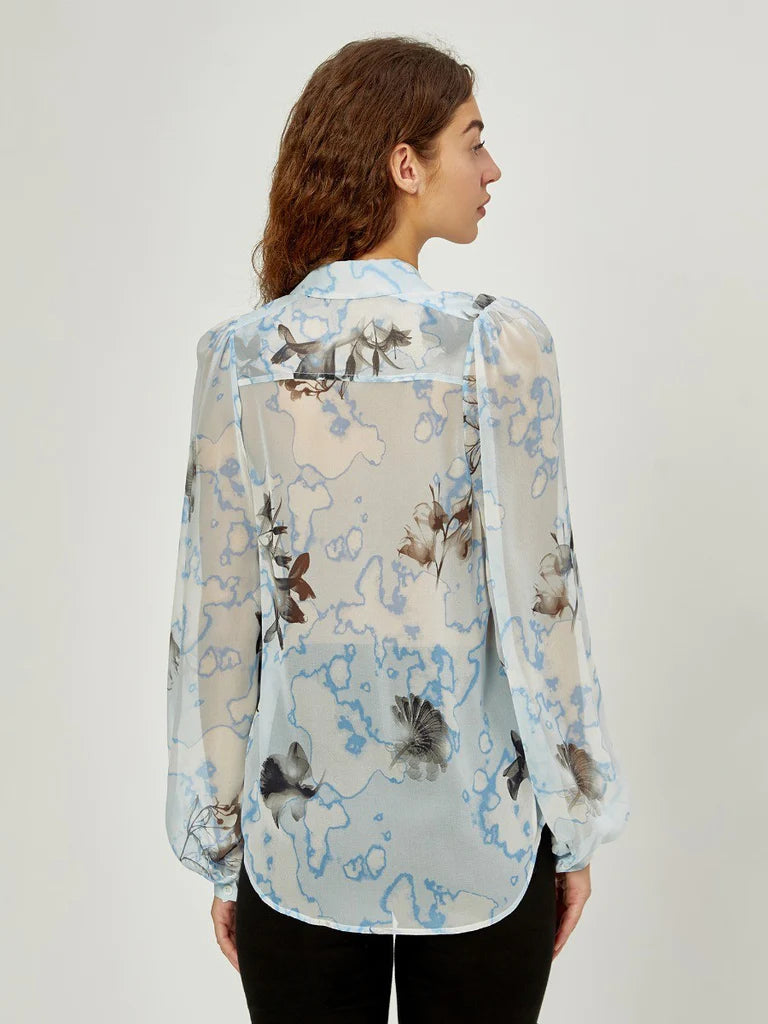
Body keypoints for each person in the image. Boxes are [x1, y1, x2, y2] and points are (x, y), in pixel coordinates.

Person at [165, 35, 630, 1024]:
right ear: (404, 164)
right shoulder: (499, 346)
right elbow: (543, 604)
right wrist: (574, 823)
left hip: (295, 841)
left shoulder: (240, 359)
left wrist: (220, 843)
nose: (492, 169)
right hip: (483, 835)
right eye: (474, 141)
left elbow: (218, 627)